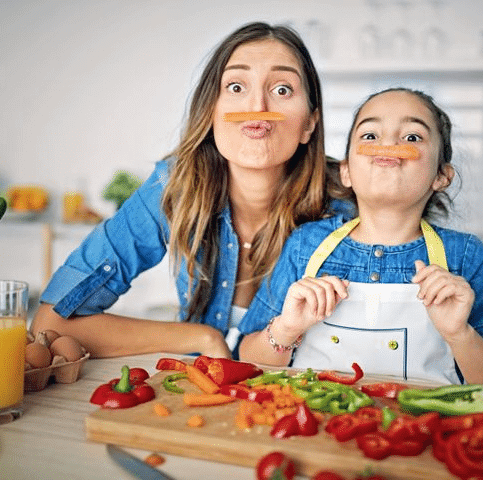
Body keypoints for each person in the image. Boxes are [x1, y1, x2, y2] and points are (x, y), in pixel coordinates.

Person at [31, 22, 349, 358]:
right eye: (237, 86)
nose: (257, 106)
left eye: (282, 89)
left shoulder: (347, 201)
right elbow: (52, 323)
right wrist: (202, 339)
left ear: (309, 124)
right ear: (211, 113)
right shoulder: (174, 185)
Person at [237, 87, 483, 391]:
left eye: (412, 137)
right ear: (347, 172)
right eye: (370, 136)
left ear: (441, 176)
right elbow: (247, 358)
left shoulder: (466, 256)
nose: (388, 145)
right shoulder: (305, 245)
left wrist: (460, 334)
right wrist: (286, 329)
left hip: (423, 433)